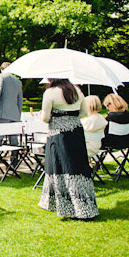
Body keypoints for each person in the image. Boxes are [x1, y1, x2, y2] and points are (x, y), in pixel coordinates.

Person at [38, 78, 98, 220]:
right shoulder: (77, 91)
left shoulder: (50, 92)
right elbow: (83, 113)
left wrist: (49, 115)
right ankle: (85, 206)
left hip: (58, 132)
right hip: (76, 131)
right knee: (78, 166)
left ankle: (65, 206)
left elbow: (45, 118)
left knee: (60, 167)